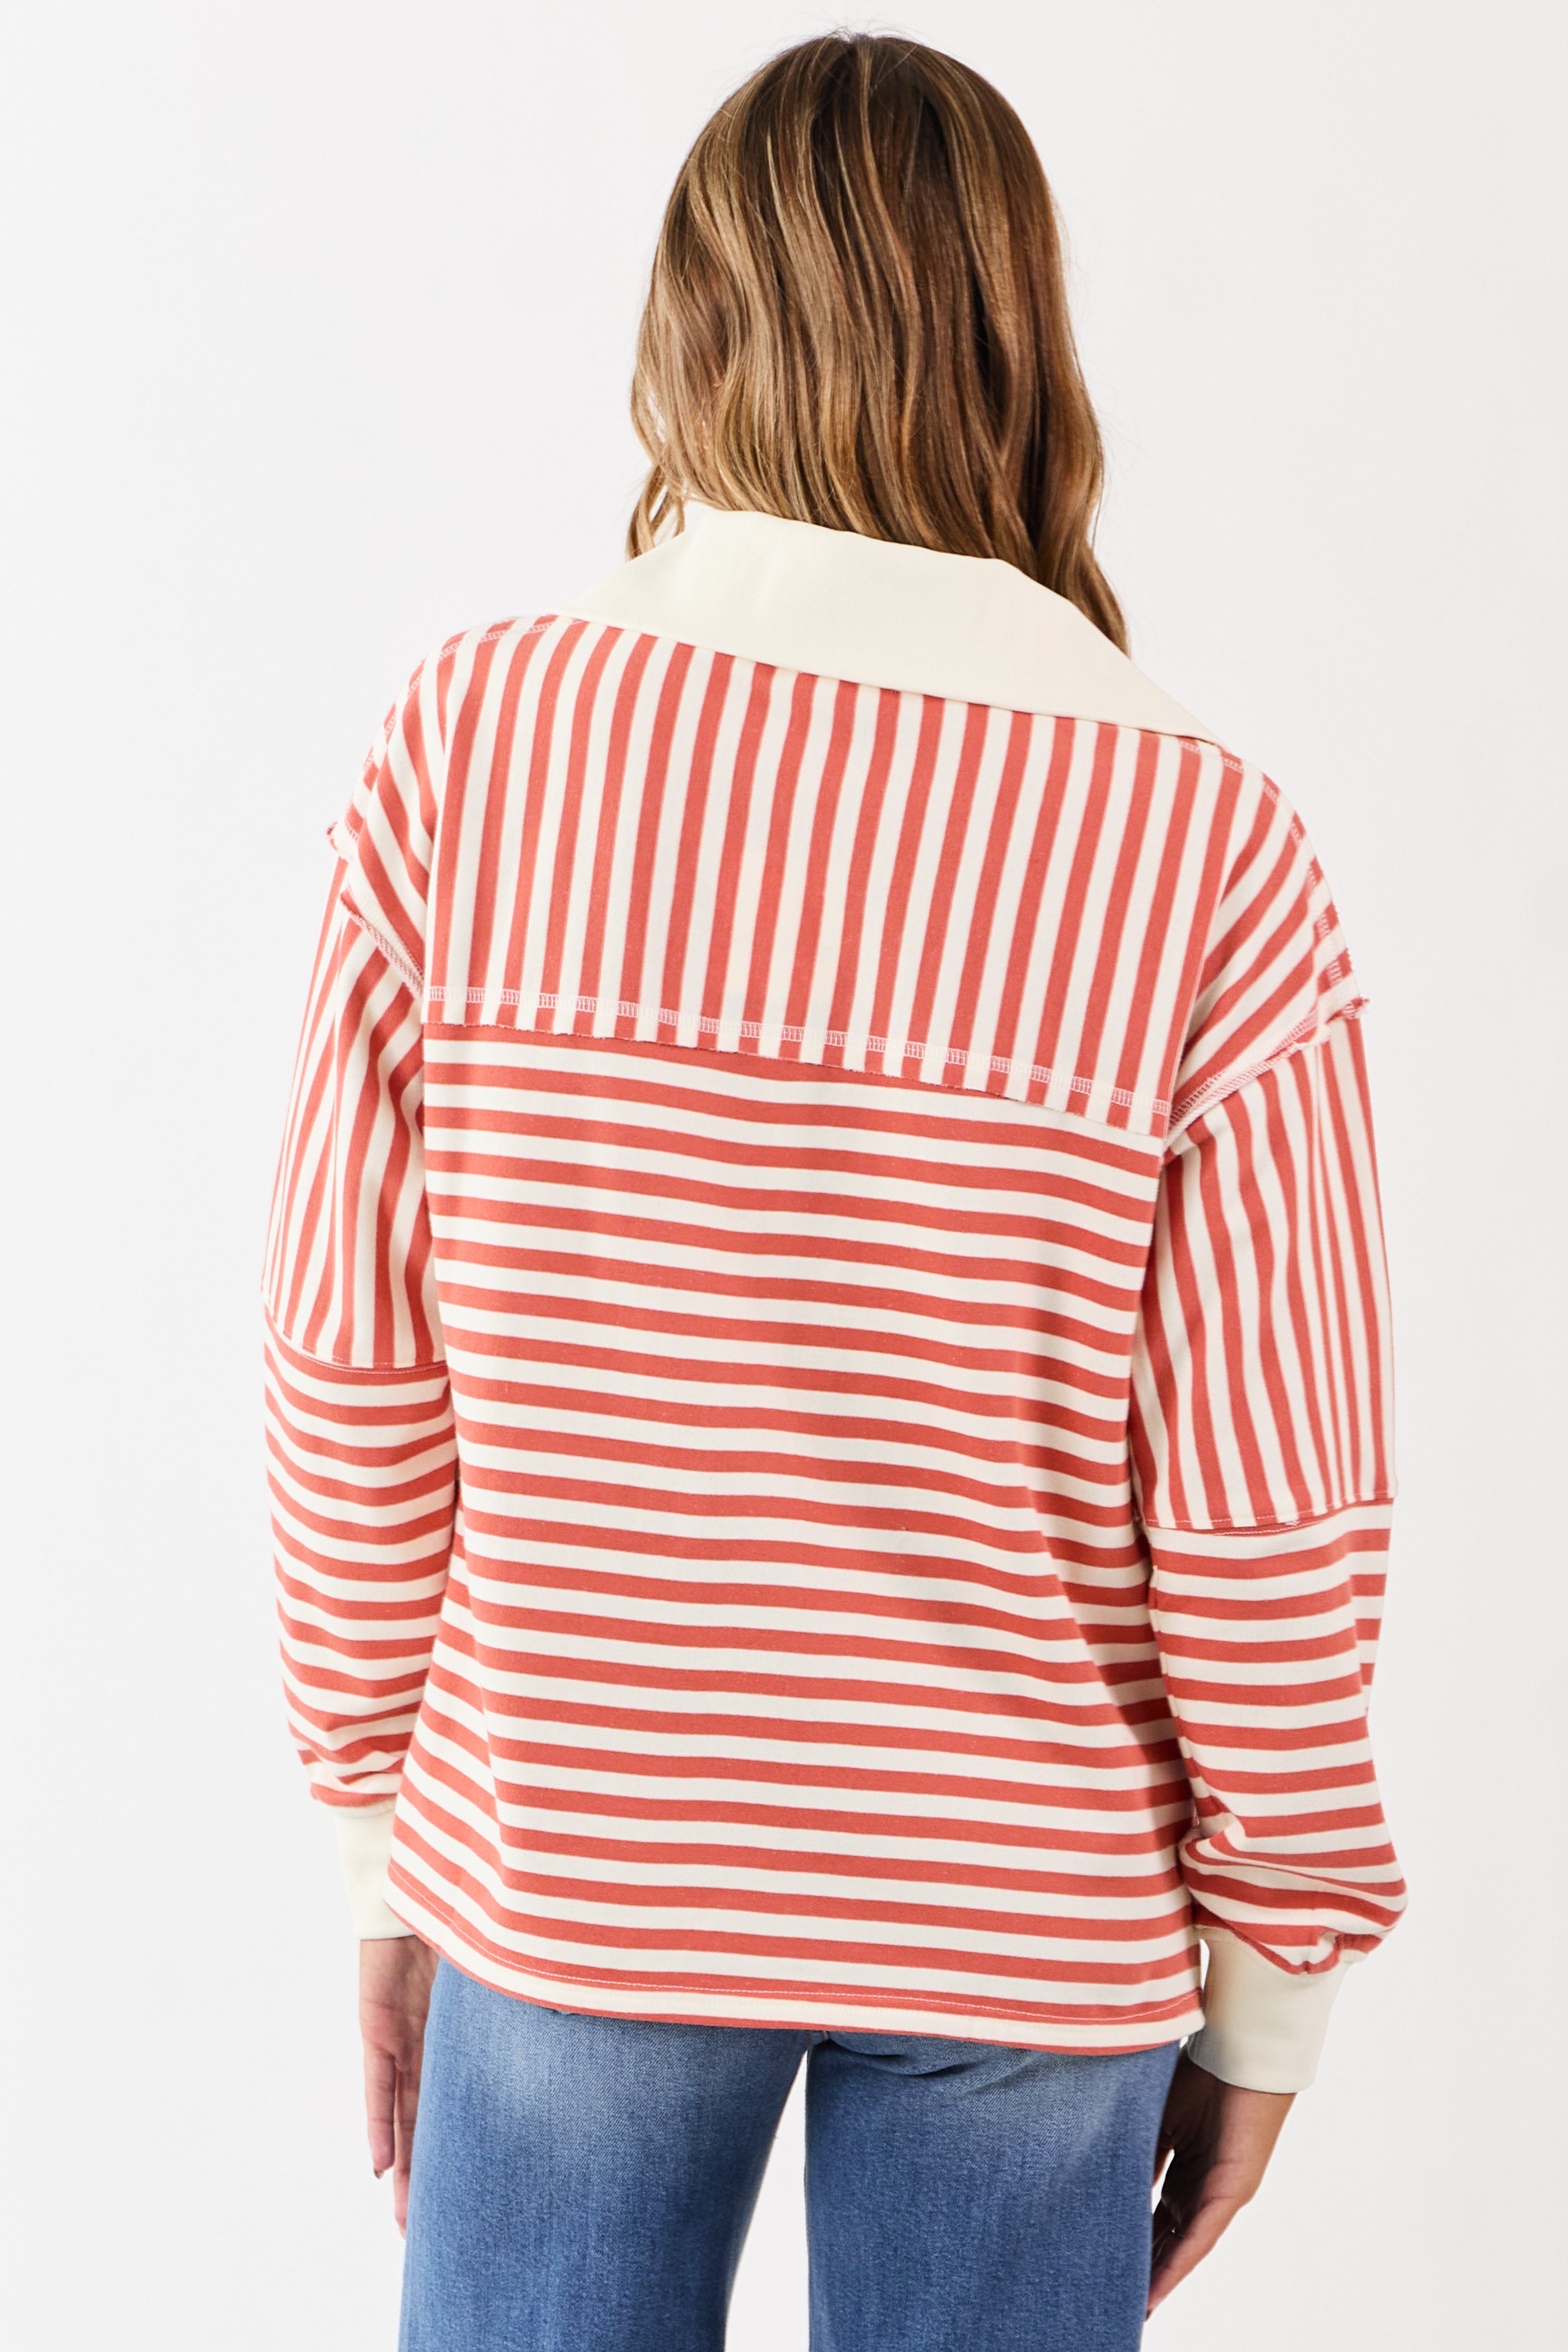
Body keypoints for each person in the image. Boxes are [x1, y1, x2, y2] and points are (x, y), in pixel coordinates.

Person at [264, 33, 1405, 2350]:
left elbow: (351, 1372)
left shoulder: (472, 751)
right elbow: (1268, 1505)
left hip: (579, 1851)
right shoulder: (1205, 849)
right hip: (1027, 1906)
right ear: (1016, 341)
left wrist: (379, 1828)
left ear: (693, 322)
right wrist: (1270, 1973)